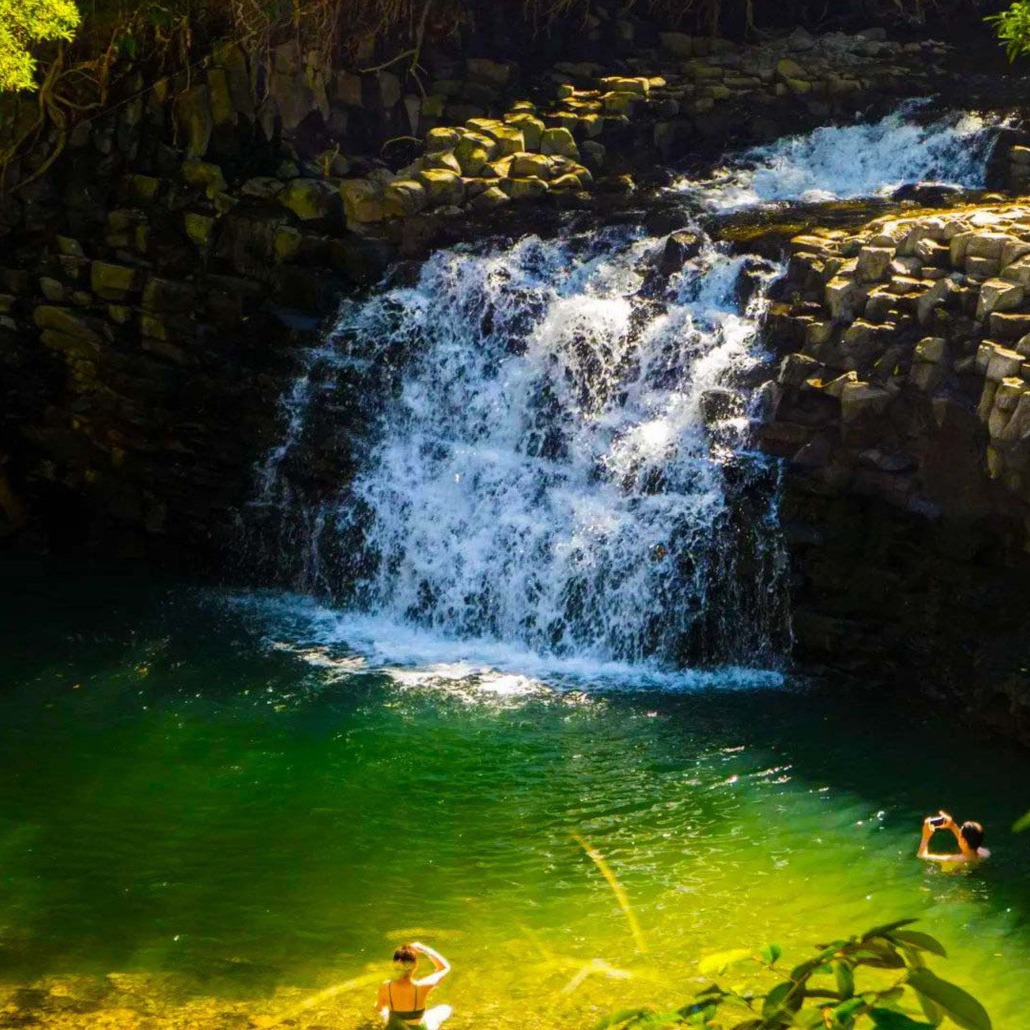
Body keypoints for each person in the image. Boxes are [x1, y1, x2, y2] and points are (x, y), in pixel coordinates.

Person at [376, 941, 452, 1030]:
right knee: (445, 1008)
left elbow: (379, 1008)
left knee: (385, 1012)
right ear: (415, 965)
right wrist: (424, 949)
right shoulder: (422, 987)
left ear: (394, 965)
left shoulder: (386, 987)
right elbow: (444, 968)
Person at [917, 811, 990, 865]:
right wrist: (952, 825)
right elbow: (967, 840)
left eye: (960, 834)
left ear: (964, 841)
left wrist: (925, 836)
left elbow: (922, 856)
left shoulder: (957, 859)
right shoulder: (985, 853)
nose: (959, 835)